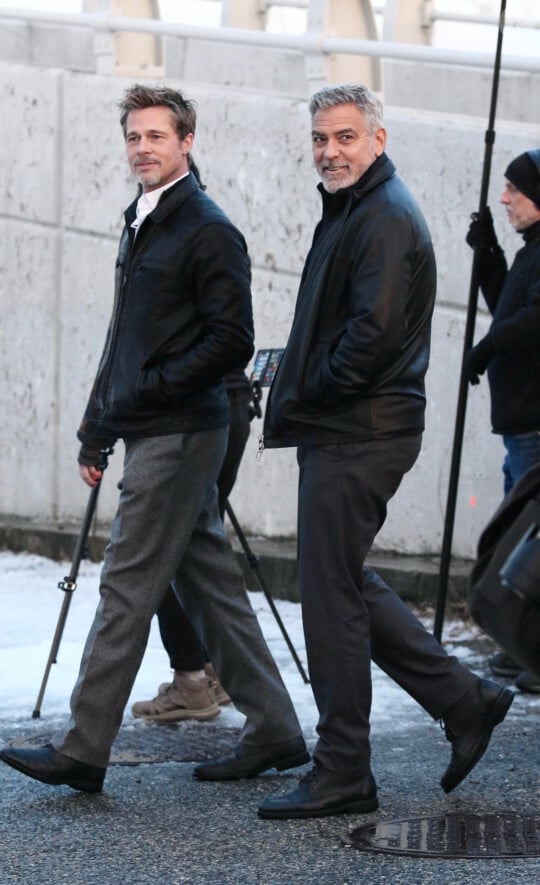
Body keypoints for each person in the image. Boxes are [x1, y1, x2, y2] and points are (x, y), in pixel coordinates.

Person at [206, 82, 514, 820]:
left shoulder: (380, 216)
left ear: (378, 138)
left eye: (345, 137)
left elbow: (369, 341)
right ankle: (465, 699)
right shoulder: (356, 208)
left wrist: (304, 390)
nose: (329, 151)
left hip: (357, 428)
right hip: (353, 424)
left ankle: (345, 766)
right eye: (320, 138)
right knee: (341, 581)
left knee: (329, 596)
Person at [0, 84, 308, 793]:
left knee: (125, 585)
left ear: (186, 142)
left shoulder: (207, 227)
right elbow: (123, 337)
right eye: (134, 136)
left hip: (182, 430)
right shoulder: (142, 222)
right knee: (211, 588)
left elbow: (233, 340)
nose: (142, 147)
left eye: (156, 136)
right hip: (149, 423)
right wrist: (96, 424)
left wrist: (151, 388)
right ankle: (278, 728)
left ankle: (83, 748)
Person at [132, 367, 251, 723]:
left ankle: (191, 682)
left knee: (170, 548)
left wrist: (94, 435)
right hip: (232, 401)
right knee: (198, 544)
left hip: (188, 411)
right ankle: (212, 672)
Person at [465, 148, 540, 694]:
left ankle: (527, 645)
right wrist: (489, 254)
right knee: (520, 537)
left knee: (528, 542)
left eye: (515, 189)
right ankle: (521, 644)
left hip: (535, 424)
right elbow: (510, 309)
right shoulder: (531, 251)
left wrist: (487, 347)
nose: (504, 198)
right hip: (519, 423)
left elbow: (531, 322)